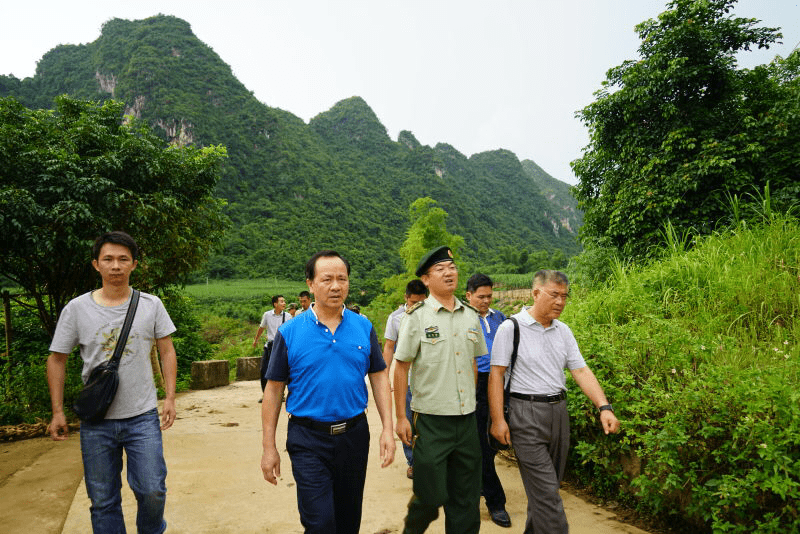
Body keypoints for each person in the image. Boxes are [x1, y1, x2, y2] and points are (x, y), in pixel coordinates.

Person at [46, 231, 177, 534]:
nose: (115, 266)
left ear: (133, 265)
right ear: (96, 265)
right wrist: (57, 411)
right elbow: (57, 359)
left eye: (123, 259)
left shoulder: (150, 304)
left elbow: (166, 348)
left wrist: (169, 397)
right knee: (103, 500)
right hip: (96, 420)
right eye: (108, 259)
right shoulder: (76, 309)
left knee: (152, 490)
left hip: (142, 417)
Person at [260, 250, 395, 534]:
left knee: (348, 521)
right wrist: (269, 446)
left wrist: (387, 429)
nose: (336, 286)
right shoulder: (291, 331)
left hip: (354, 436)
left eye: (342, 279)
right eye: (327, 279)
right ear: (310, 284)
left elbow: (379, 376)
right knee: (320, 523)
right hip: (308, 438)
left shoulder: (363, 326)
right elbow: (273, 390)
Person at [489, 270, 621, 534]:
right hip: (525, 415)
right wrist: (498, 420)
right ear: (536, 293)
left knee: (545, 492)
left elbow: (581, 371)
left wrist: (603, 407)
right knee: (548, 496)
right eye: (554, 295)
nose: (560, 301)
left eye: (564, 296)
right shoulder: (510, 328)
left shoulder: (563, 331)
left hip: (559, 413)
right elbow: (496, 374)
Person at [394, 246, 488, 534]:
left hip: (466, 421)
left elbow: (473, 363)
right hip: (431, 421)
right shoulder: (417, 317)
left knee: (467, 501)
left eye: (452, 267)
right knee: (430, 495)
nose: (449, 272)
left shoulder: (471, 315)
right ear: (426, 279)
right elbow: (400, 368)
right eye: (440, 269)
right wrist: (401, 417)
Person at [465, 273, 510, 528]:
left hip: (499, 382)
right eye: (480, 296)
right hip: (473, 384)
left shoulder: (499, 318)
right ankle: (496, 502)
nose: (485, 301)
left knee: (491, 444)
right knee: (480, 446)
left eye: (489, 296)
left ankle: (482, 485)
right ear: (468, 295)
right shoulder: (461, 319)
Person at [382, 279, 428, 479]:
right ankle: (412, 462)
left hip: (429, 379)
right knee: (408, 422)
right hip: (408, 380)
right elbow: (389, 346)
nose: (417, 306)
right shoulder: (396, 318)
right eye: (413, 302)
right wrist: (385, 376)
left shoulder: (433, 313)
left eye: (421, 302)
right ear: (406, 298)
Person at [252, 294, 289, 393]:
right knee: (264, 370)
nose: (284, 303)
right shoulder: (267, 315)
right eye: (281, 301)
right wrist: (255, 340)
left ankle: (280, 394)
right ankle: (265, 394)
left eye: (284, 301)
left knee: (282, 371)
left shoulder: (288, 316)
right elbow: (261, 328)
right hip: (269, 347)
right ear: (275, 304)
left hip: (282, 348)